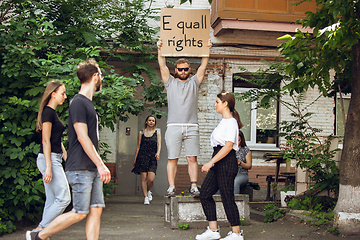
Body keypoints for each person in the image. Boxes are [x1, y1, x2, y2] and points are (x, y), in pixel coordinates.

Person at [27, 59, 112, 240]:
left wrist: (98, 165)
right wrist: (101, 164)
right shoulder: (79, 102)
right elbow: (82, 137)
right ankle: (39, 235)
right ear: (95, 76)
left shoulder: (87, 103)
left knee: (96, 209)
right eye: (101, 75)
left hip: (91, 167)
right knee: (79, 212)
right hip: (81, 168)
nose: (102, 79)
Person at [157, 38, 211, 197]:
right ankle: (171, 187)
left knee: (191, 158)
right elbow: (162, 65)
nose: (183, 72)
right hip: (173, 126)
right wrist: (159, 48)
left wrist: (207, 49)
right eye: (180, 69)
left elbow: (203, 66)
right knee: (172, 158)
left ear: (189, 70)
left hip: (191, 126)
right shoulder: (170, 82)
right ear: (176, 70)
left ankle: (194, 186)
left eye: (186, 69)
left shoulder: (195, 82)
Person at [196, 92, 245, 240]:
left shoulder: (231, 122)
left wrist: (211, 162)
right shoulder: (224, 122)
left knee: (227, 197)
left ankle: (236, 233)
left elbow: (229, 146)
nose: (215, 104)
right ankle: (213, 231)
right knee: (204, 193)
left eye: (217, 102)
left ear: (225, 104)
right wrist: (213, 162)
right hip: (219, 160)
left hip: (226, 161)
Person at [27, 81, 71, 240]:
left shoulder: (52, 113)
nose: (65, 97)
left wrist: (65, 154)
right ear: (53, 94)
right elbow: (45, 141)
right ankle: (40, 230)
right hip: (48, 159)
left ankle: (43, 235)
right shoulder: (48, 113)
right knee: (64, 197)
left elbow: (55, 139)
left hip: (54, 158)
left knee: (52, 200)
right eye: (63, 93)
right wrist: (49, 167)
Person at [132, 115, 161, 205]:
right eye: (149, 120)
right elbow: (138, 146)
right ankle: (145, 197)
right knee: (143, 178)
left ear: (155, 123)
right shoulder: (141, 133)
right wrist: (135, 159)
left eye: (153, 120)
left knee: (151, 179)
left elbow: (159, 144)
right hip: (142, 157)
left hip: (152, 157)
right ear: (146, 122)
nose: (151, 122)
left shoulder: (157, 133)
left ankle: (148, 191)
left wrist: (158, 153)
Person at [234, 130, 252, 195]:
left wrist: (241, 163)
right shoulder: (229, 149)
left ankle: (235, 201)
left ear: (241, 140)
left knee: (235, 182)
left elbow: (249, 166)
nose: (237, 142)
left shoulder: (246, 150)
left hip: (242, 174)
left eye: (238, 140)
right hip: (230, 173)